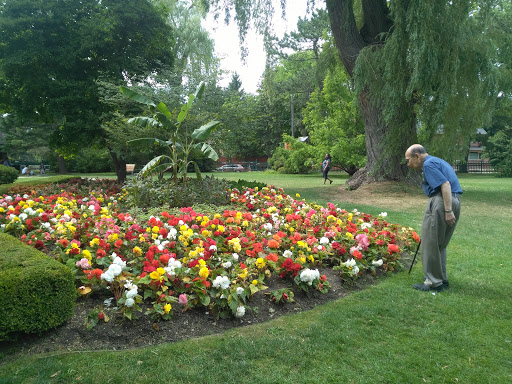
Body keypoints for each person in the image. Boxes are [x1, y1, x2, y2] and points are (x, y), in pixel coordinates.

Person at [405, 144, 462, 292]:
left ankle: (433, 282)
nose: (408, 164)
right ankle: (441, 279)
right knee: (440, 244)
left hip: (442, 202)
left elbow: (445, 184)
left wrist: (448, 210)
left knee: (430, 242)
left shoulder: (428, 164)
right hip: (454, 200)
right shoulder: (438, 161)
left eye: (408, 160)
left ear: (417, 156)